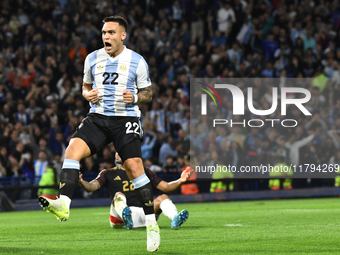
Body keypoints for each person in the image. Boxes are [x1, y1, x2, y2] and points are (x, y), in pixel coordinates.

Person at [38, 16, 159, 252]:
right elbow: (85, 86)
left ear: (123, 35)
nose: (106, 37)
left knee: (135, 167)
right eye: (104, 32)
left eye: (112, 32)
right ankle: (64, 203)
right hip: (98, 117)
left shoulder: (137, 61)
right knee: (72, 149)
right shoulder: (92, 58)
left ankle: (151, 224)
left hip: (126, 118)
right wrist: (87, 94)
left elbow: (148, 93)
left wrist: (134, 97)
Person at [78, 153, 191, 229]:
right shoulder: (108, 173)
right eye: (116, 152)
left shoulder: (144, 171)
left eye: (120, 151)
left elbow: (166, 187)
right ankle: (125, 215)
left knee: (163, 197)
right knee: (118, 195)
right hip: (119, 218)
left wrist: (180, 180)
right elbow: (92, 187)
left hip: (144, 215)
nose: (116, 154)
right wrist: (82, 182)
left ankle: (175, 218)